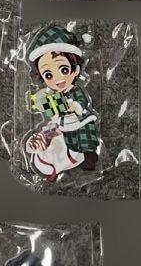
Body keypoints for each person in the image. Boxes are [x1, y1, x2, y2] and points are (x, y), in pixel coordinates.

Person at [24, 25, 99, 181]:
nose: (58, 80)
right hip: (64, 124)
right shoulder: (52, 95)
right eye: (48, 74)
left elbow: (81, 101)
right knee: (69, 139)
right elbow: (51, 113)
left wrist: (75, 106)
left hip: (80, 119)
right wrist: (47, 108)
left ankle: (89, 156)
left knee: (85, 135)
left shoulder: (75, 90)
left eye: (64, 70)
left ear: (76, 70)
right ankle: (59, 160)